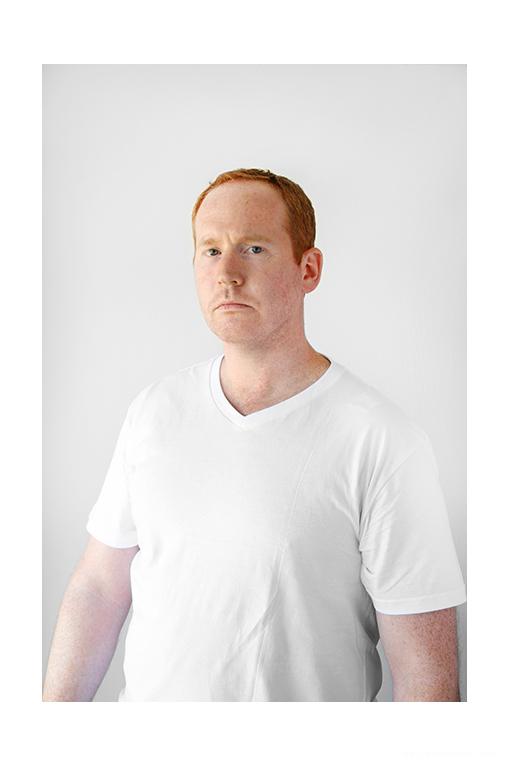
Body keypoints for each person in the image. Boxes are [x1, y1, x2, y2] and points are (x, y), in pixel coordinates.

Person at [43, 167, 467, 702]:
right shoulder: (154, 412)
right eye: (211, 250)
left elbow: (428, 688)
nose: (227, 273)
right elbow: (99, 589)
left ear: (308, 269)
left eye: (254, 249)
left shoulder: (381, 441)